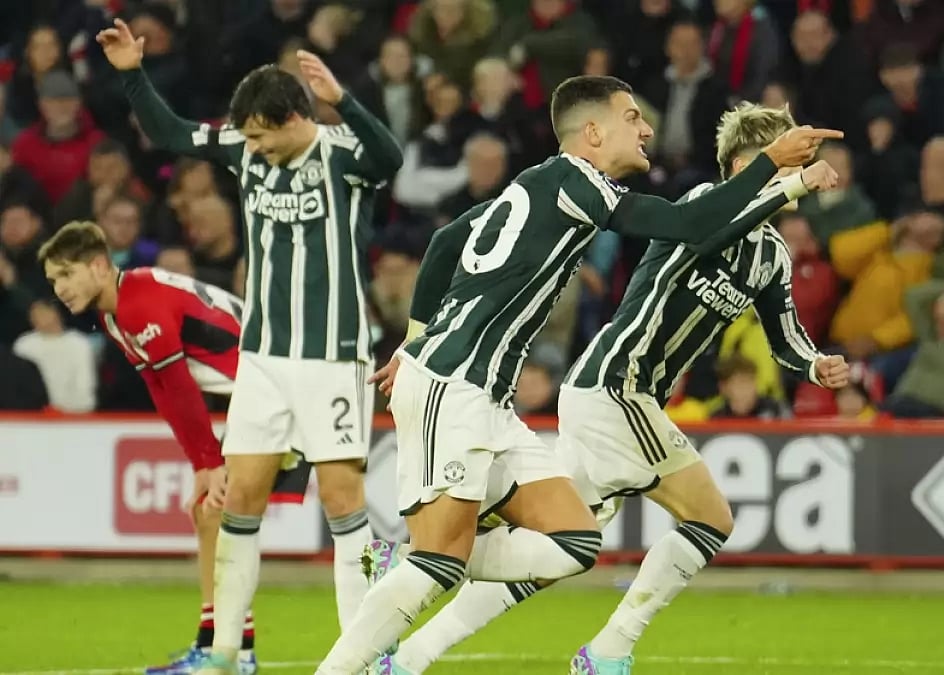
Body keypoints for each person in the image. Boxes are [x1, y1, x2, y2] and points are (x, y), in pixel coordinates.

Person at [315, 77, 841, 673]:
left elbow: (444, 242)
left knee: (574, 542)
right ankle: (406, 623)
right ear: (593, 132)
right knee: (444, 562)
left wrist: (412, 340)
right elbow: (694, 225)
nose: (647, 130)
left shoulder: (541, 183)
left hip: (487, 396)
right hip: (474, 381)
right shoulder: (576, 182)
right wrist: (783, 170)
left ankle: (406, 570)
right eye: (632, 118)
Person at [95, 18, 406, 673]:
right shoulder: (243, 143)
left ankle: (366, 652)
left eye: (265, 137)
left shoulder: (344, 150)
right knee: (239, 500)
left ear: (296, 117)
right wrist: (132, 73)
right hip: (264, 358)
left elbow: (392, 159)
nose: (254, 150)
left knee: (345, 502)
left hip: (333, 354)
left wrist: (343, 100)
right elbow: (173, 132)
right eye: (251, 140)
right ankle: (228, 654)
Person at [38, 221, 316, 675]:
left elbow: (182, 388)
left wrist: (208, 462)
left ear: (98, 266)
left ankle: (230, 651)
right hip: (262, 397)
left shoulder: (137, 306)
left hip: (280, 395)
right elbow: (162, 389)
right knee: (209, 513)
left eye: (66, 275)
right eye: (53, 281)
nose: (60, 289)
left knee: (221, 514)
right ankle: (219, 646)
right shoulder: (116, 312)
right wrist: (201, 463)